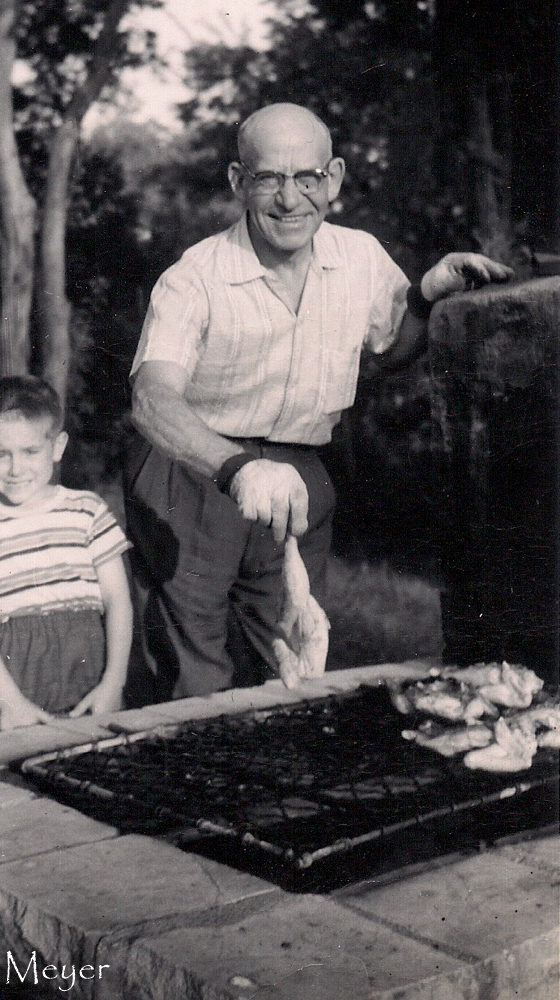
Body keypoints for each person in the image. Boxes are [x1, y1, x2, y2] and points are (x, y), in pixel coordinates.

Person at [125, 102, 513, 703]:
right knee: (192, 671)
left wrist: (423, 296)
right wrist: (237, 467)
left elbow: (391, 348)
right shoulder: (194, 276)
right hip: (195, 470)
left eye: (306, 177)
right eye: (269, 178)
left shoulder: (359, 256)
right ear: (238, 182)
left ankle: (278, 764)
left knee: (293, 655)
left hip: (300, 473)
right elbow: (151, 399)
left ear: (332, 178)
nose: (289, 199)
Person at [0, 376, 133, 731]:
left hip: (89, 674)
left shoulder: (88, 511)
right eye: (1, 454)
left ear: (57, 447)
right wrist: (10, 702)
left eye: (30, 452)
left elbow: (118, 599)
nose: (16, 469)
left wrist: (114, 683)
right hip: (13, 682)